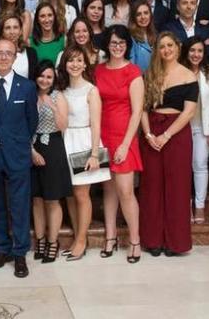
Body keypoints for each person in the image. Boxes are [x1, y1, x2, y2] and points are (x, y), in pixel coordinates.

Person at [0, 39, 38, 278]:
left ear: (15, 57)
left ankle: (20, 253)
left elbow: (31, 121)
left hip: (17, 153)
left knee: (20, 205)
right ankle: (3, 248)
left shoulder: (27, 87)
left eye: (8, 53)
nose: (3, 57)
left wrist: (17, 140)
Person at [141, 32, 199, 257]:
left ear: (178, 47)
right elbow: (143, 108)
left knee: (177, 187)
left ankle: (176, 242)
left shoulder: (188, 76)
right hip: (151, 132)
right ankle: (153, 240)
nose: (166, 50)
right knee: (151, 186)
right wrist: (148, 134)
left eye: (170, 45)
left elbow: (189, 111)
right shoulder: (151, 74)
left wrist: (166, 135)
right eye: (162, 46)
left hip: (176, 133)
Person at [95, 25, 144, 263]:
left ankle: (135, 240)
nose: (117, 47)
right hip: (103, 135)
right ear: (107, 44)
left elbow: (137, 112)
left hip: (125, 136)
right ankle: (110, 237)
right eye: (113, 43)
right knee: (109, 190)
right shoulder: (98, 70)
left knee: (126, 190)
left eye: (121, 43)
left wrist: (126, 144)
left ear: (127, 45)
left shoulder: (133, 72)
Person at [58, 45, 110, 260]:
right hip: (64, 142)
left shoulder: (91, 90)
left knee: (81, 194)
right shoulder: (61, 90)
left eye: (79, 60)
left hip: (84, 142)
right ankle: (78, 237)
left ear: (85, 64)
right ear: (64, 64)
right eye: (71, 60)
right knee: (70, 194)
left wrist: (95, 154)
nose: (75, 64)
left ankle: (81, 239)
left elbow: (96, 124)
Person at [30, 61, 71, 264]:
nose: (44, 80)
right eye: (41, 76)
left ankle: (53, 242)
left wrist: (53, 107)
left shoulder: (58, 96)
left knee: (52, 199)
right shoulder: (29, 95)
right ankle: (39, 240)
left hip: (53, 147)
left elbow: (64, 126)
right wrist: (31, 151)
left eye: (49, 77)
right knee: (36, 199)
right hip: (31, 146)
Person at [181, 36, 209, 225]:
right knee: (182, 167)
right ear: (186, 52)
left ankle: (200, 205)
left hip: (201, 127)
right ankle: (184, 205)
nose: (196, 54)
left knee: (200, 165)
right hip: (180, 126)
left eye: (200, 51)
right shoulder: (178, 72)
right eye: (192, 50)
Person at [163, 0, 209, 64]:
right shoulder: (168, 29)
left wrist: (181, 46)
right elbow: (167, 53)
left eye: (192, 3)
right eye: (184, 3)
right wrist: (202, 46)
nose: (189, 7)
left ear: (196, 6)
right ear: (178, 6)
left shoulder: (205, 29)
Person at [0, 14, 38, 80]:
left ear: (21, 31)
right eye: (8, 28)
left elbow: (34, 80)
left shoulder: (31, 53)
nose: (12, 32)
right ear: (2, 32)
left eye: (15, 27)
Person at [129, 0, 157, 73]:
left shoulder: (155, 35)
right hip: (140, 81)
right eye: (138, 14)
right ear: (133, 18)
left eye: (146, 13)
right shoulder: (130, 38)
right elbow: (131, 67)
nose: (143, 17)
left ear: (150, 15)